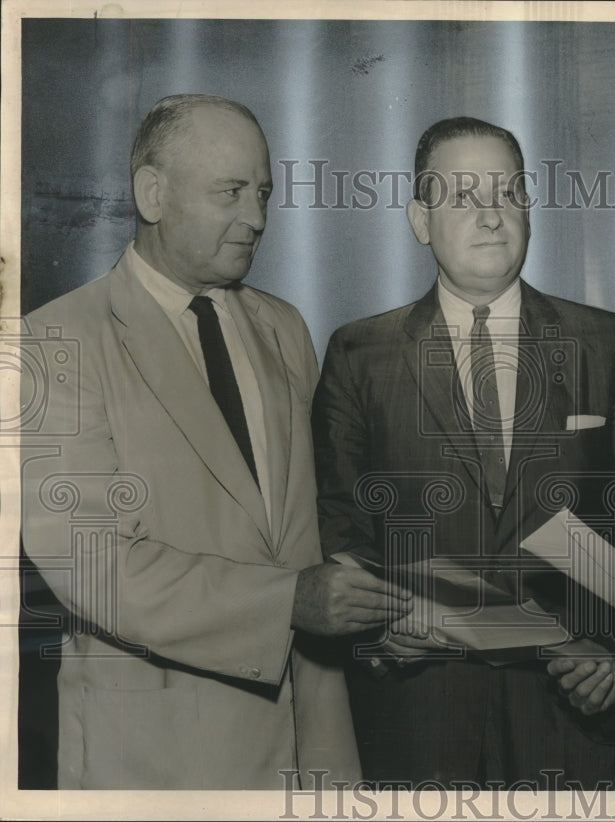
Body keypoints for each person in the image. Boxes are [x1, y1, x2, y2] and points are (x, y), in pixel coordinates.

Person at [19, 94, 412, 789]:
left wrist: (378, 604)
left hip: (310, 746)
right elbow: (95, 567)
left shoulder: (284, 327)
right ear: (152, 193)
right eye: (230, 192)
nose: (257, 218)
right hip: (155, 763)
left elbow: (306, 525)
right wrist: (288, 601)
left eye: (262, 193)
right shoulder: (54, 342)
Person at [311, 116, 615, 787]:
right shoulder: (359, 353)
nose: (491, 216)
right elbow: (338, 522)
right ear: (420, 220)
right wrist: (376, 635)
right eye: (463, 197)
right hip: (420, 714)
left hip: (576, 716)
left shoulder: (607, 344)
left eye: (508, 194)